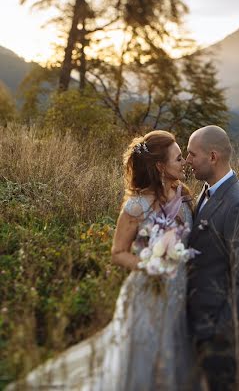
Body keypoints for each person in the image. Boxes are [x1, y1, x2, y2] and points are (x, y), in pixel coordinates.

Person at [8, 130, 199, 391]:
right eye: (178, 158)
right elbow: (118, 253)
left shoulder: (184, 196)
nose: (184, 162)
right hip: (146, 295)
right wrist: (148, 265)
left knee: (172, 357)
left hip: (179, 292)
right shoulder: (136, 206)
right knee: (139, 359)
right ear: (160, 166)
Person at [186, 125, 239, 391]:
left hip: (219, 331)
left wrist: (221, 330)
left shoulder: (238, 204)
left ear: (213, 157)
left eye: (192, 155)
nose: (187, 161)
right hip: (198, 320)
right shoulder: (207, 191)